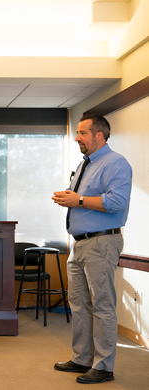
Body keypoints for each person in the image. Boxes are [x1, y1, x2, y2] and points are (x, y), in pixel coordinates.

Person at [52, 114, 132, 385]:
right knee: (79, 304)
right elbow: (82, 200)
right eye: (76, 133)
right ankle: (83, 358)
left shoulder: (115, 162)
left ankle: (104, 365)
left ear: (99, 135)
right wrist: (69, 198)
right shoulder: (85, 164)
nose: (77, 138)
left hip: (101, 242)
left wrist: (80, 199)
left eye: (82, 133)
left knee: (103, 305)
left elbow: (117, 201)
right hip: (79, 244)